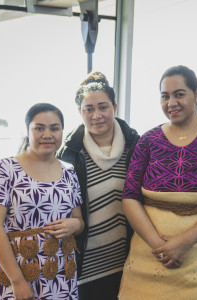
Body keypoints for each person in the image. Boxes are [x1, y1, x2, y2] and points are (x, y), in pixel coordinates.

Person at [119, 65, 197, 299]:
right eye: (165, 96)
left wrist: (184, 242)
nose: (171, 103)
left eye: (179, 94)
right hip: (149, 256)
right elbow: (129, 197)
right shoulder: (148, 140)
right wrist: (160, 246)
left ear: (196, 95)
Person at [0, 103, 84, 300]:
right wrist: (17, 281)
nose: (48, 134)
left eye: (55, 128)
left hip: (63, 274)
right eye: (39, 128)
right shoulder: (6, 168)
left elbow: (79, 220)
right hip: (20, 273)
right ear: (27, 130)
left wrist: (76, 224)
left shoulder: (69, 171)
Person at [57, 72, 140, 300]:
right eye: (89, 109)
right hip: (85, 267)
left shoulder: (137, 146)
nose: (97, 115)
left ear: (114, 106)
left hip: (130, 264)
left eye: (103, 107)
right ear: (80, 112)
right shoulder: (68, 155)